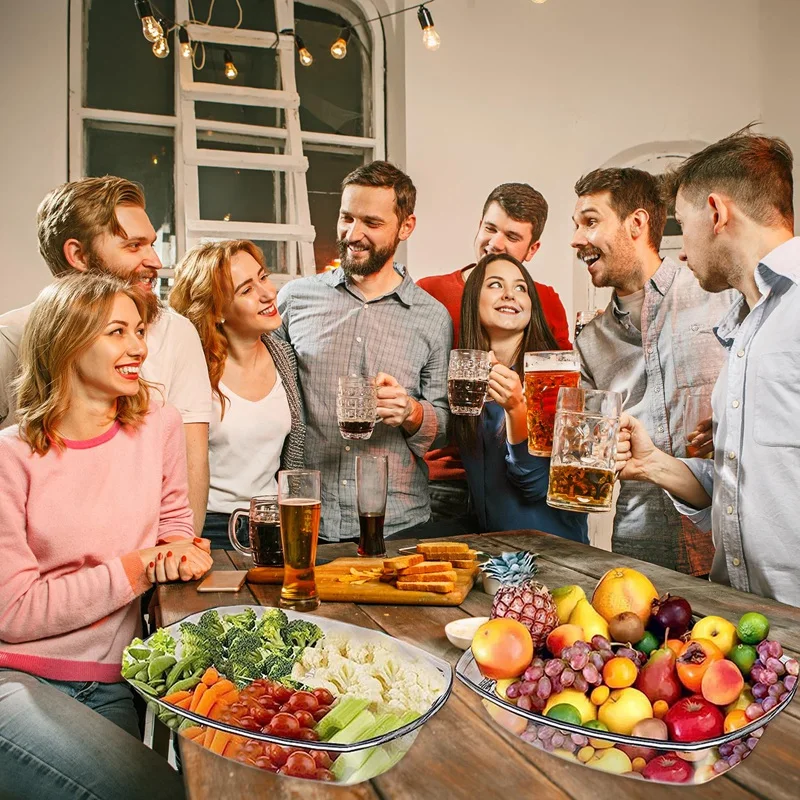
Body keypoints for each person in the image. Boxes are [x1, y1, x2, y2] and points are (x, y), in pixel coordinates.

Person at [0, 273, 213, 799]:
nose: (137, 346)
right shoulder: (11, 457)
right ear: (67, 341)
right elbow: (14, 611)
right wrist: (139, 566)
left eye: (139, 331)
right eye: (117, 332)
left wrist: (180, 556)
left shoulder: (158, 425)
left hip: (114, 683)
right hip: (17, 679)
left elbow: (174, 528)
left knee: (190, 785)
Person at [615, 127, 799, 606]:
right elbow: (739, 493)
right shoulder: (743, 326)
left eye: (681, 222)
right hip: (747, 625)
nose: (679, 250)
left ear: (716, 212)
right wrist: (654, 462)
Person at [0, 177, 212, 532]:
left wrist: (175, 560)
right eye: (133, 246)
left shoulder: (176, 332)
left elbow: (189, 475)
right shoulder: (11, 338)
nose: (155, 260)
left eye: (151, 244)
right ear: (79, 255)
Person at [277, 161, 452, 542]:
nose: (353, 234)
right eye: (346, 218)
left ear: (406, 226)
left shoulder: (433, 317)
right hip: (309, 518)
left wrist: (411, 412)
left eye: (371, 223)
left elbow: (444, 430)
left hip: (398, 523)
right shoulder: (295, 299)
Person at [571, 167, 734, 575]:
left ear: (637, 224)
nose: (576, 239)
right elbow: (590, 457)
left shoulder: (717, 294)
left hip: (725, 546)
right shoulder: (590, 341)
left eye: (590, 221)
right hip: (640, 551)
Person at [417, 183, 571, 533]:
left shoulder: (545, 302)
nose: (496, 242)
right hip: (446, 477)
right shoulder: (430, 293)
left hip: (519, 478)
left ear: (532, 249)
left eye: (512, 236)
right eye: (490, 228)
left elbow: (561, 403)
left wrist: (518, 408)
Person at [171, 240, 305, 549]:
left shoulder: (284, 356)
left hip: (275, 526)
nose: (268, 293)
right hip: (210, 529)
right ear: (217, 310)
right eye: (246, 290)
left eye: (263, 276)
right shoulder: (193, 369)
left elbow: (292, 458)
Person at [452, 253, 588, 542]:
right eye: (495, 285)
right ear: (472, 301)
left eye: (520, 288)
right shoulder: (465, 381)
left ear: (532, 306)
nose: (509, 295)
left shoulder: (554, 378)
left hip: (555, 553)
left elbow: (536, 486)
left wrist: (516, 409)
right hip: (495, 556)